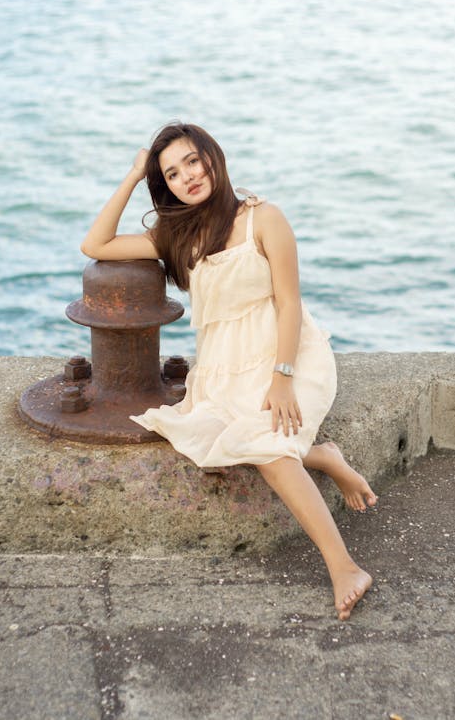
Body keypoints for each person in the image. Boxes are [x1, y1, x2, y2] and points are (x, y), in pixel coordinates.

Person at [81, 122, 378, 620]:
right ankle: (323, 455)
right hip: (225, 364)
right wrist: (136, 175)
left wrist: (282, 377)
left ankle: (344, 565)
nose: (186, 177)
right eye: (171, 174)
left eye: (192, 162)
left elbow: (288, 302)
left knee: (266, 446)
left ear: (213, 158)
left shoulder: (264, 219)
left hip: (288, 351)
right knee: (233, 438)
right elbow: (97, 244)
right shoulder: (175, 236)